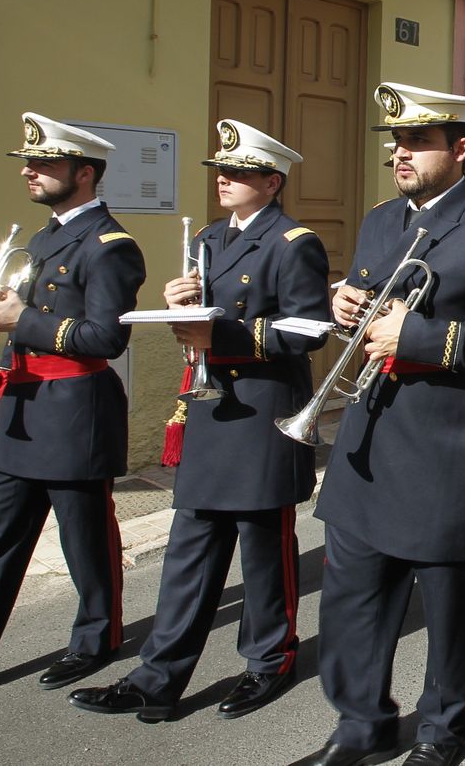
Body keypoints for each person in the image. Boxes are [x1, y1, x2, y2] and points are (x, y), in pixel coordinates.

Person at [290, 83, 465, 766]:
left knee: (450, 608)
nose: (400, 152)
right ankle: (360, 721)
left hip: (446, 448)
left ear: (460, 149)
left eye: (417, 142)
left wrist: (419, 336)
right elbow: (375, 299)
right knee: (352, 600)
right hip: (372, 443)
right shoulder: (379, 220)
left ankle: (442, 728)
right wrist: (345, 301)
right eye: (396, 142)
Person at [71, 121, 329, 722]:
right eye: (221, 173)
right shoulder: (212, 236)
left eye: (238, 174)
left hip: (265, 409)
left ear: (271, 180)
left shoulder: (294, 242)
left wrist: (223, 332)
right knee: (189, 547)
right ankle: (157, 678)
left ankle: (270, 660)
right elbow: (203, 321)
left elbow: (308, 329)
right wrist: (178, 301)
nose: (225, 182)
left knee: (263, 548)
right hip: (213, 409)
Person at [0, 114, 145, 699]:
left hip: (72, 409)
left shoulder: (111, 246)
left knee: (84, 539)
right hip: (21, 404)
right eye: (28, 163)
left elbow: (107, 339)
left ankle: (97, 639)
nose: (30, 171)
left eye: (44, 163)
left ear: (84, 173)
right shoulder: (41, 238)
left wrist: (24, 319)